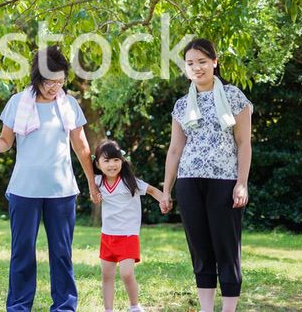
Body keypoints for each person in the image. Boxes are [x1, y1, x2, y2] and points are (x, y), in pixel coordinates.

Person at [0, 45, 101, 312]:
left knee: (61, 254)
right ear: (37, 77)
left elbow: (81, 148)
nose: (55, 87)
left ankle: (65, 307)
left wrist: (91, 182)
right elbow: (4, 143)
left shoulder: (68, 104)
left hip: (62, 191)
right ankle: (19, 306)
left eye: (60, 81)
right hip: (24, 190)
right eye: (49, 82)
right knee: (22, 253)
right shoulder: (17, 103)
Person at [160, 39, 253, 312]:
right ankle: (205, 309)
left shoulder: (235, 97)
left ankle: (228, 309)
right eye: (190, 63)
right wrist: (166, 189)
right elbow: (175, 149)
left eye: (201, 61)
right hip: (189, 182)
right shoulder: (181, 105)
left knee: (226, 247)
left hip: (225, 182)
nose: (196, 68)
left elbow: (244, 144)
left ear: (214, 61)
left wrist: (242, 183)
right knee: (200, 248)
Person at [93, 140, 162, 312]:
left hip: (128, 235)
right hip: (107, 236)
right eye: (106, 160)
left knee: (126, 273)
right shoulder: (96, 181)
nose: (112, 165)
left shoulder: (130, 182)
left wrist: (164, 200)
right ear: (98, 163)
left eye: (116, 160)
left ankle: (134, 306)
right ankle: (108, 309)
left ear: (122, 161)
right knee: (107, 276)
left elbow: (153, 190)